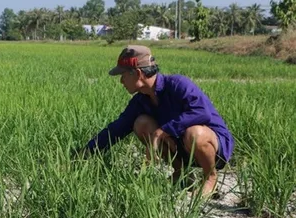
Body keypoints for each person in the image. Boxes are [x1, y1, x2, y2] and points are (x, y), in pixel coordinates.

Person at [79, 45, 234, 196]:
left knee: (195, 133)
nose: (121, 81)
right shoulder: (140, 101)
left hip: (213, 147)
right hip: (182, 148)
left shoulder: (178, 84)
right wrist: (83, 154)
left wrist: (162, 131)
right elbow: (115, 130)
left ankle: (210, 178)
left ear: (137, 73)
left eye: (124, 75)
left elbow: (202, 113)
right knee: (142, 123)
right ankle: (181, 174)